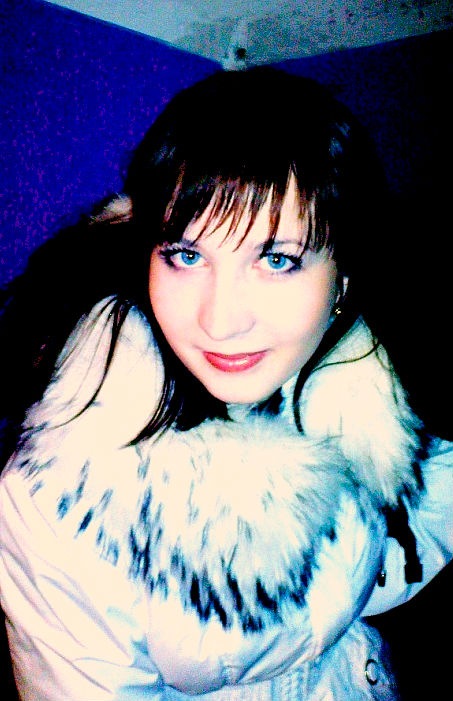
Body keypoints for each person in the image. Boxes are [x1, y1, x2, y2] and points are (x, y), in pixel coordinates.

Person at [0, 66, 451, 701]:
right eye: (186, 256)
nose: (220, 321)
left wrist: (353, 586)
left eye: (277, 260)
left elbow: (420, 524)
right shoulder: (58, 496)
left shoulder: (372, 386)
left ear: (343, 277)